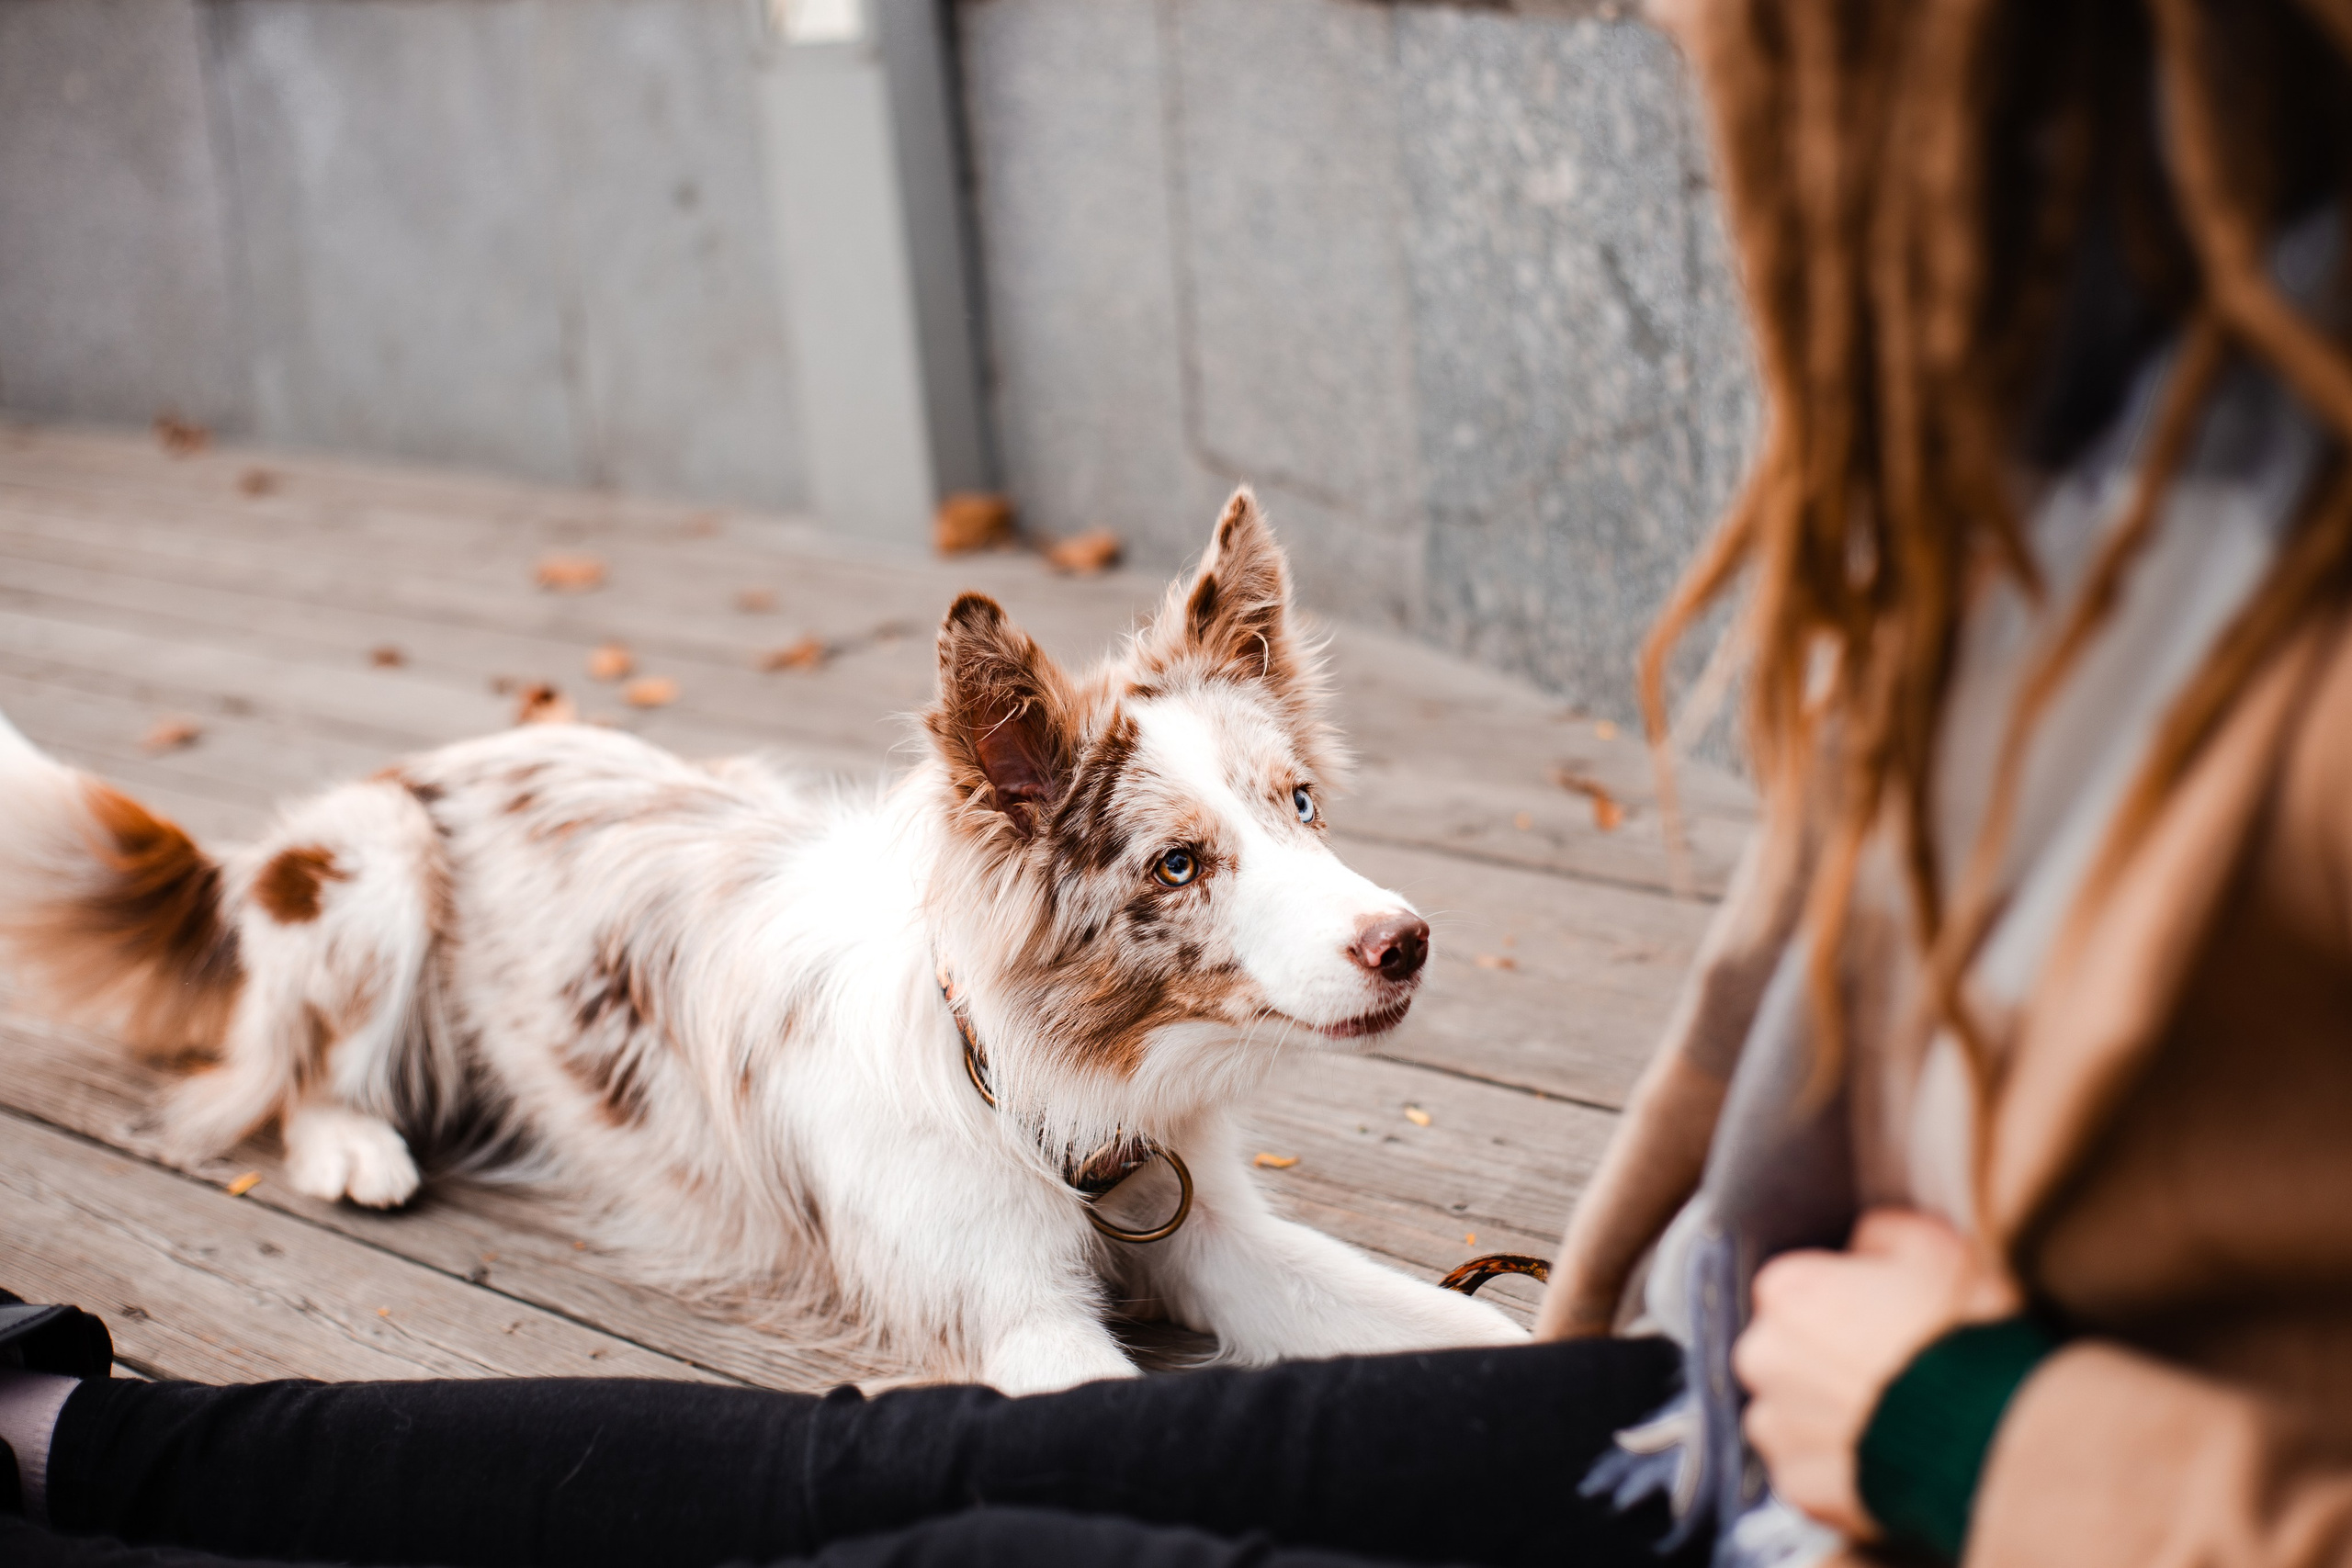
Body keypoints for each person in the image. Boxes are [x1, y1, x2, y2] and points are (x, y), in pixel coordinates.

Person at [6, 0, 2350, 1563]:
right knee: (882, 1467)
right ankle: (78, 1421)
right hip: (1739, 1416)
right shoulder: (2042, 517)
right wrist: (1597, 1370)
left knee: (917, 1515)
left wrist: (1953, 1433)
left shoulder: (2223, 583)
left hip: (1861, 1461)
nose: (1662, 38)